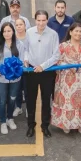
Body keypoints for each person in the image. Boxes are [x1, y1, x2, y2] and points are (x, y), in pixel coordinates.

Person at [52, 23, 81, 133]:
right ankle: (66, 123)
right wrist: (68, 66)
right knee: (67, 102)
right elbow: (57, 60)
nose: (78, 33)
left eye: (80, 31)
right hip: (67, 81)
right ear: (70, 32)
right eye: (76, 31)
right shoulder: (63, 46)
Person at [23, 10, 60, 138]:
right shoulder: (29, 32)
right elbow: (26, 49)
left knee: (46, 99)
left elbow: (56, 56)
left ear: (47, 20)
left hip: (47, 72)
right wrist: (26, 59)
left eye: (44, 20)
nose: (41, 23)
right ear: (35, 20)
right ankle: (30, 125)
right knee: (30, 100)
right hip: (31, 71)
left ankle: (45, 126)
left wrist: (42, 66)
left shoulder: (53, 34)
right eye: (39, 20)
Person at [0, 23, 23, 134]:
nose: (6, 33)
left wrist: (17, 70)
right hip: (1, 78)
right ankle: (3, 122)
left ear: (13, 32)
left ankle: (10, 118)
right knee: (2, 100)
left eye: (9, 31)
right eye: (4, 31)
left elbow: (22, 61)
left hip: (14, 79)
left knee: (12, 99)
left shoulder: (19, 44)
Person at [13, 17, 28, 116]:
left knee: (27, 88)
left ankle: (28, 108)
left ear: (25, 25)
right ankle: (18, 107)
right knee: (17, 89)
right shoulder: (12, 37)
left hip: (27, 67)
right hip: (16, 68)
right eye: (17, 25)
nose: (19, 27)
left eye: (21, 24)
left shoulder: (29, 37)